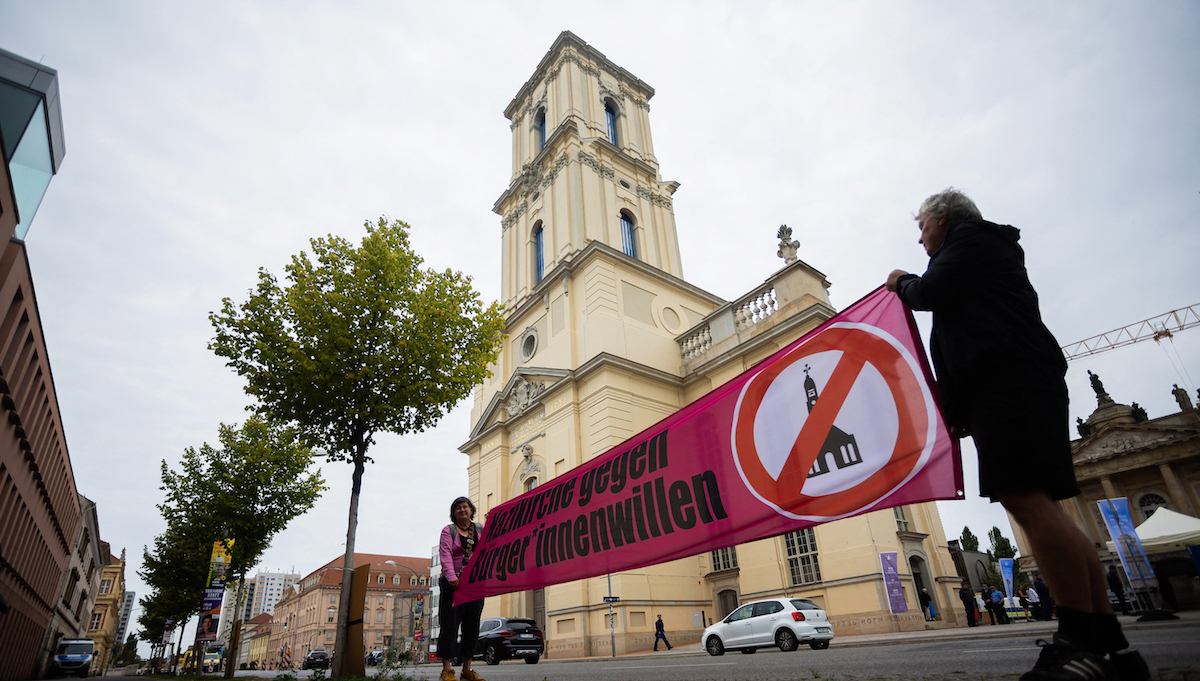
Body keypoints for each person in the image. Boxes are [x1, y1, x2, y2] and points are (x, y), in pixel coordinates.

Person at [887, 189, 1145, 681]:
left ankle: (1079, 640)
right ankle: (1110, 647)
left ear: (943, 218)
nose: (920, 238)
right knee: (1042, 505)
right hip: (1014, 383)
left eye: (922, 227)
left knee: (1024, 499)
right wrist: (960, 408)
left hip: (1007, 383)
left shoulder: (973, 240)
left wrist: (901, 282)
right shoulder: (980, 249)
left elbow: (929, 294)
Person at [438, 496, 486, 681]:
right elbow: (445, 555)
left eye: (465, 506)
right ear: (454, 513)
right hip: (454, 584)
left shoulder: (479, 529)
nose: (462, 510)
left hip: (475, 584)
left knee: (472, 626)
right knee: (450, 625)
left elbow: (490, 545)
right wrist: (451, 577)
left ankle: (467, 669)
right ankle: (447, 670)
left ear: (471, 510)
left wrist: (493, 523)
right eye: (458, 507)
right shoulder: (448, 531)